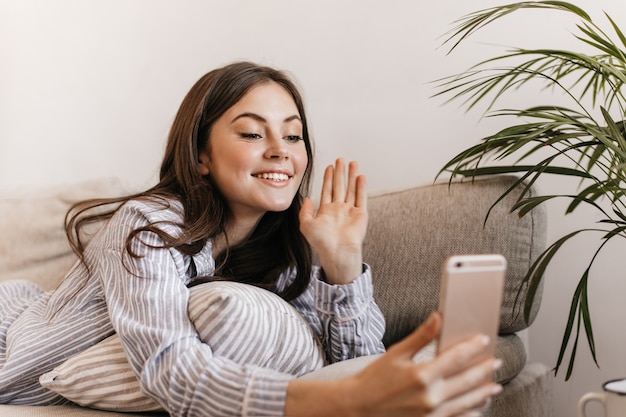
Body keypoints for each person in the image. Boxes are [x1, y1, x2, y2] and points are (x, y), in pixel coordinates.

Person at [0, 61, 502, 416]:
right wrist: (340, 404)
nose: (280, 151)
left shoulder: (283, 254)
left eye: (293, 134)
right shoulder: (148, 226)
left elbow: (356, 367)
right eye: (251, 134)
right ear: (200, 156)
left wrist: (342, 260)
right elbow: (172, 371)